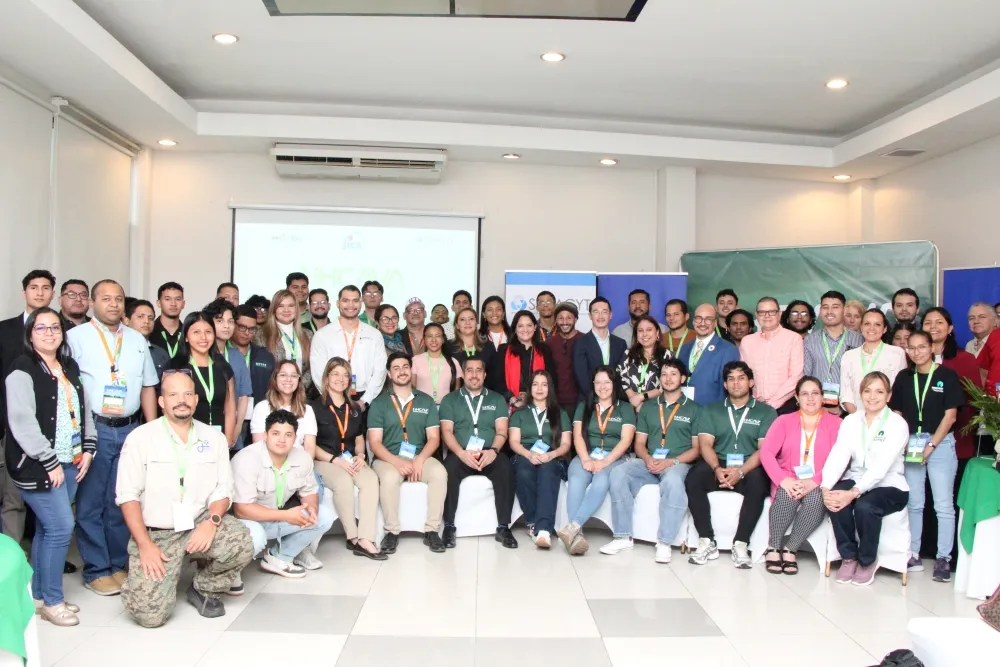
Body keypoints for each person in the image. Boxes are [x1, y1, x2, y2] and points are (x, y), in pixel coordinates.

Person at [116, 371, 253, 627]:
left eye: (188, 394)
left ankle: (204, 589)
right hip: (157, 533)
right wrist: (144, 545)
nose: (182, 400)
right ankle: (139, 582)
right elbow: (127, 497)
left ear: (196, 399)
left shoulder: (213, 438)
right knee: (150, 617)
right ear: (161, 401)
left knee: (241, 542)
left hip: (198, 523)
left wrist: (211, 522)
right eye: (173, 394)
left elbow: (223, 490)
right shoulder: (140, 438)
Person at [67, 279, 158, 596]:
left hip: (130, 428)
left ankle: (119, 564)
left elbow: (148, 386)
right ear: (92, 303)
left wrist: (151, 430)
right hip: (95, 429)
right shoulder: (75, 338)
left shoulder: (136, 339)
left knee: (123, 499)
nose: (114, 304)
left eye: (119, 299)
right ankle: (96, 569)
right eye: (106, 299)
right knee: (91, 502)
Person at [5, 308, 95, 625]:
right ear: (30, 334)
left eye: (55, 327)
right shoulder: (22, 368)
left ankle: (40, 597)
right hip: (38, 465)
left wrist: (89, 448)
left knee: (47, 529)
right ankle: (54, 602)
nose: (49, 333)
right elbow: (22, 421)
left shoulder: (69, 366)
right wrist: (48, 460)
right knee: (60, 528)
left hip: (71, 460)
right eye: (41, 328)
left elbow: (83, 409)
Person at [601, 359, 702, 563]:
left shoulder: (695, 409)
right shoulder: (649, 407)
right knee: (619, 472)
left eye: (673, 374)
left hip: (677, 463)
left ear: (683, 378)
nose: (668, 378)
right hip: (650, 461)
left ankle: (664, 542)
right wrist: (647, 458)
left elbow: (697, 449)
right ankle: (622, 536)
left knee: (673, 481)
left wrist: (671, 462)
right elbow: (639, 443)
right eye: (664, 374)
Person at [686, 361, 777, 568]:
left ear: (751, 382)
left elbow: (764, 450)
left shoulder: (766, 412)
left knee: (759, 482)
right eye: (731, 379)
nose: (736, 383)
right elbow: (705, 444)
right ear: (725, 385)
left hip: (749, 465)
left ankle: (741, 543)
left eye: (741, 378)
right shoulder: (712, 410)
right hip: (718, 462)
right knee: (693, 478)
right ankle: (706, 540)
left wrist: (741, 472)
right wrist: (717, 469)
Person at [822, 371, 909, 586]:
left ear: (888, 396)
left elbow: (881, 468)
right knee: (835, 497)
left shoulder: (897, 424)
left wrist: (853, 493)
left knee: (865, 506)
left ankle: (867, 560)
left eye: (879, 392)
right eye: (867, 391)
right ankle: (849, 557)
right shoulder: (851, 421)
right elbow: (839, 455)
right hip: (857, 477)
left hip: (890, 484)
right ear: (860, 394)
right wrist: (826, 486)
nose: (872, 396)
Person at [889, 329, 962, 582]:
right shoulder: (903, 377)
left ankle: (943, 558)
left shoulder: (947, 376)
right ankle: (914, 553)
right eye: (912, 347)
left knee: (943, 505)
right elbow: (897, 412)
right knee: (915, 503)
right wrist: (903, 442)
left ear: (932, 348)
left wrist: (931, 445)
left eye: (922, 347)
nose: (917, 352)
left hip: (940, 444)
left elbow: (950, 416)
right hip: (911, 444)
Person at [232, 410, 334, 578]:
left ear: (295, 438)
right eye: (276, 433)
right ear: (266, 435)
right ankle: (231, 571)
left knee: (324, 516)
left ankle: (279, 557)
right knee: (256, 534)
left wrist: (312, 508)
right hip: (247, 522)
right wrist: (286, 515)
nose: (282, 440)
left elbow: (310, 492)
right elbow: (241, 510)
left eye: (288, 435)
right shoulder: (246, 459)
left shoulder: (302, 458)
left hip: (278, 517)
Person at [759, 376, 841, 574]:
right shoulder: (783, 421)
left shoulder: (837, 424)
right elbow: (766, 452)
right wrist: (783, 480)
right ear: (796, 397)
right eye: (805, 394)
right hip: (788, 477)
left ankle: (791, 548)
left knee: (816, 500)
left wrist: (815, 481)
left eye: (815, 393)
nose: (810, 398)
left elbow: (839, 460)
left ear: (822, 397)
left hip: (820, 480)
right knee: (787, 495)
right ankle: (773, 546)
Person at [368, 352, 447, 553]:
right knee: (389, 478)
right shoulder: (379, 403)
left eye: (405, 367)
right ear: (389, 373)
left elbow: (434, 438)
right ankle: (391, 532)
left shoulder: (426, 401)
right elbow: (375, 443)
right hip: (387, 458)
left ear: (411, 370)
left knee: (439, 473)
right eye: (396, 368)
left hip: (420, 455)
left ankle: (432, 530)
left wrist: (420, 460)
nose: (401, 371)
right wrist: (397, 462)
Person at [2, 269, 59, 546]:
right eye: (34, 287)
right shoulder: (4, 330)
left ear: (53, 294)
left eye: (45, 288)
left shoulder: (61, 333)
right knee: (13, 498)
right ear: (23, 292)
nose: (39, 292)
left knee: (49, 499)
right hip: (11, 426)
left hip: (53, 428)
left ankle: (43, 556)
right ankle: (12, 557)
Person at [310, 357, 384, 560]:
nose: (340, 379)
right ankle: (353, 536)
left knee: (370, 479)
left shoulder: (354, 409)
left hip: (350, 459)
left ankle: (366, 538)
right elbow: (310, 445)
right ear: (326, 378)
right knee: (342, 480)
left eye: (345, 375)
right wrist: (335, 460)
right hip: (324, 460)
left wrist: (360, 455)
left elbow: (359, 438)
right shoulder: (313, 408)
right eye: (335, 374)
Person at [439, 355, 516, 548]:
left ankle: (503, 527)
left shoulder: (497, 399)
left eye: (478, 370)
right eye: (470, 370)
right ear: (463, 374)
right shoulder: (450, 400)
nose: (474, 375)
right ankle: (449, 526)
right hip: (461, 453)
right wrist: (461, 453)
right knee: (447, 471)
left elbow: (502, 430)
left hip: (489, 452)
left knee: (505, 467)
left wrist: (494, 451)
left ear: (485, 374)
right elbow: (446, 431)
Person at [558, 365, 636, 555]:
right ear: (593, 384)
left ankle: (573, 527)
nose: (602, 387)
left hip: (614, 457)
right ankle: (577, 537)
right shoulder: (584, 406)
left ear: (614, 384)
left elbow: (626, 440)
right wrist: (586, 460)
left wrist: (605, 462)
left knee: (601, 481)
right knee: (576, 480)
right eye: (598, 382)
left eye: (606, 382)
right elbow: (577, 436)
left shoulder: (625, 408)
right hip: (587, 454)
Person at [507, 370, 571, 549]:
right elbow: (514, 442)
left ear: (550, 388)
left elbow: (566, 444)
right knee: (523, 471)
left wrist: (551, 454)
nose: (540, 389)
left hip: (552, 454)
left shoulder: (560, 413)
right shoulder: (519, 413)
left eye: (544, 384)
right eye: (535, 384)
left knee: (547, 471)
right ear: (530, 388)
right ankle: (533, 522)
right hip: (525, 453)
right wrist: (529, 455)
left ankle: (543, 530)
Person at [310, 285, 388, 411]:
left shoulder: (374, 334)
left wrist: (365, 401)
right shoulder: (322, 335)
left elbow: (380, 371)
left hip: (366, 399)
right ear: (337, 303)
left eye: (355, 301)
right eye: (345, 300)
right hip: (332, 400)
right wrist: (334, 399)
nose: (351, 305)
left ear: (361, 303)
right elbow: (318, 373)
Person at [925, 306, 983, 461]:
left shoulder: (965, 359)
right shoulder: (911, 359)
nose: (933, 327)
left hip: (956, 435)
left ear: (950, 328)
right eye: (928, 323)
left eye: (939, 322)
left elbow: (974, 399)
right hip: (919, 437)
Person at [172, 312, 238, 446]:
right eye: (196, 332)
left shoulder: (223, 366)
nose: (203, 337)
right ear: (186, 337)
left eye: (208, 332)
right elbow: (168, 408)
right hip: (184, 439)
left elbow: (230, 407)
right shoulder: (175, 367)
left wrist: (227, 440)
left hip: (217, 438)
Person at [741, 296, 805, 415]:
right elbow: (743, 375)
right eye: (762, 312)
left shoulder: (793, 338)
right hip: (755, 405)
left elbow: (796, 376)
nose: (767, 316)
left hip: (786, 406)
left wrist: (773, 403)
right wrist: (754, 400)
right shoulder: (747, 341)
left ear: (779, 314)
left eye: (772, 312)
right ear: (757, 315)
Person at [803, 291, 863, 414]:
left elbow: (861, 376)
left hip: (850, 408)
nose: (829, 311)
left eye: (835, 307)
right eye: (825, 307)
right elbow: (806, 377)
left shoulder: (859, 340)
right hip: (817, 408)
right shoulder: (810, 340)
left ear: (844, 310)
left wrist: (843, 408)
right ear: (820, 310)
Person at [840, 309, 907, 415]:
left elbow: (901, 392)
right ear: (861, 327)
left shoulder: (897, 354)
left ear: (884, 329)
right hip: (856, 418)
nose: (871, 328)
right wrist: (859, 419)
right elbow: (846, 395)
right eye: (867, 324)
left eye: (877, 324)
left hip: (888, 418)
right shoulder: (849, 356)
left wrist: (890, 420)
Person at [204, 299, 253, 446]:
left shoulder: (236, 356)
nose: (226, 326)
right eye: (220, 321)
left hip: (231, 429)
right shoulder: (200, 354)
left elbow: (243, 397)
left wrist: (236, 430)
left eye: (230, 321)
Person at [487, 310, 555, 411]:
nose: (525, 329)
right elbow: (496, 380)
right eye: (520, 326)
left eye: (529, 325)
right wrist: (512, 399)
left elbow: (551, 379)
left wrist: (534, 398)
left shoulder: (544, 350)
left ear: (535, 327)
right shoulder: (503, 350)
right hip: (509, 405)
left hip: (539, 404)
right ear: (515, 329)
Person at [679, 304, 741, 406]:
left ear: (715, 323)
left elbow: (731, 387)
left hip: (713, 411)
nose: (702, 323)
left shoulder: (728, 349)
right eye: (699, 318)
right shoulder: (685, 348)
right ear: (693, 321)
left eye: (708, 319)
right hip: (685, 409)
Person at [231, 305, 276, 443]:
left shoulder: (265, 355)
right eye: (242, 327)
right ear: (233, 324)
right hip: (230, 415)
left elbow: (273, 388)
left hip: (258, 419)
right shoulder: (221, 353)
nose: (247, 333)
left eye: (252, 329)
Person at [250, 361, 318, 452]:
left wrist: (304, 461)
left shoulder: (307, 410)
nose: (288, 379)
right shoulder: (261, 408)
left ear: (298, 380)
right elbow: (259, 447)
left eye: (293, 376)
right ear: (275, 379)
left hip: (299, 459)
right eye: (283, 375)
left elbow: (309, 448)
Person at [258, 289, 313, 389]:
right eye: (281, 306)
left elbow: (312, 367)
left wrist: (300, 387)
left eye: (291, 306)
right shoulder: (262, 335)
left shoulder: (308, 334)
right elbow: (261, 370)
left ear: (296, 309)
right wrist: (280, 389)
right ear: (274, 309)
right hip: (272, 392)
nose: (286, 310)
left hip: (302, 392)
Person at [573, 297, 627, 399]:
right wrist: (598, 399)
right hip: (589, 400)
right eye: (596, 312)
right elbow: (581, 377)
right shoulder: (580, 343)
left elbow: (622, 375)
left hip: (615, 399)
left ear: (610, 315)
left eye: (604, 312)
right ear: (590, 316)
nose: (600, 316)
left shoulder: (620, 343)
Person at [617, 315, 670, 412]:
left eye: (649, 330)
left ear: (657, 333)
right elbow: (620, 377)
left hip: (656, 409)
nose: (644, 334)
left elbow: (667, 383)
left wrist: (642, 397)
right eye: (640, 330)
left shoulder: (667, 356)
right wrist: (633, 398)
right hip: (628, 407)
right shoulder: (628, 354)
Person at [411, 323, 462, 404]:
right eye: (429, 336)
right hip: (422, 407)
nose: (433, 340)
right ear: (424, 339)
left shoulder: (454, 362)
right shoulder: (415, 361)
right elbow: (412, 388)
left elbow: (457, 391)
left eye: (437, 336)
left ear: (443, 339)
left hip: (446, 407)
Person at [547, 302, 581, 414]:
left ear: (575, 319)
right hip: (555, 401)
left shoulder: (585, 340)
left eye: (569, 318)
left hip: (580, 401)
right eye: (560, 318)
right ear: (556, 320)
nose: (564, 322)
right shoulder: (549, 343)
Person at [123, 299, 169, 381]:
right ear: (127, 321)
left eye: (150, 318)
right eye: (140, 317)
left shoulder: (161, 354)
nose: (146, 321)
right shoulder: (117, 349)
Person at [150, 282, 185, 359]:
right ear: (159, 303)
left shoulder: (188, 333)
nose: (173, 304)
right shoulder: (149, 331)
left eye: (178, 299)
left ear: (183, 304)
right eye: (167, 299)